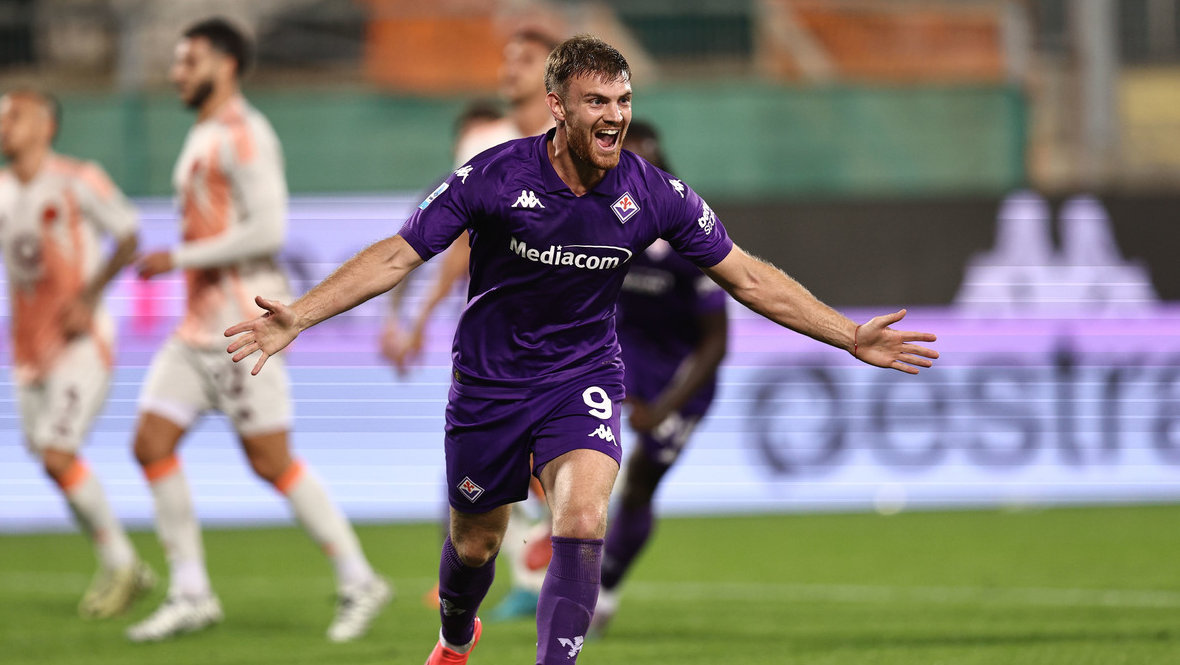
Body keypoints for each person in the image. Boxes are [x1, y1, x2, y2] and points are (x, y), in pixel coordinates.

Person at [225, 35, 938, 665]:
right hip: (491, 383)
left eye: (623, 100)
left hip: (583, 375)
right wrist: (300, 316)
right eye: (596, 100)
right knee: (475, 544)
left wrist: (849, 334)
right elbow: (395, 255)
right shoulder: (494, 177)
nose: (615, 115)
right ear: (557, 107)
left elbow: (747, 276)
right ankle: (456, 634)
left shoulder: (654, 193)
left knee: (583, 516)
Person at [126, 17, 389, 643]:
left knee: (271, 461)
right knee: (150, 443)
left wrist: (179, 256)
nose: (177, 73)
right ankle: (191, 592)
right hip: (196, 329)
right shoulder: (205, 132)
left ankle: (360, 580)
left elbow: (269, 230)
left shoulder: (245, 134)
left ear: (225, 64)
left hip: (243, 327)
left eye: (189, 61)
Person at [381, 28, 563, 622]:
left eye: (525, 60)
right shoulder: (486, 143)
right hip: (495, 333)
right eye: (507, 59)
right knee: (487, 462)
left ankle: (540, 568)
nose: (509, 69)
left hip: (569, 327)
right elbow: (454, 239)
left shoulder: (580, 142)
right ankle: (520, 572)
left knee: (551, 460)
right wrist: (417, 317)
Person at [0, 89, 151, 619]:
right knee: (50, 460)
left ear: (46, 126)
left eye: (14, 115)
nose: (3, 123)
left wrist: (88, 297)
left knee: (58, 454)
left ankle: (125, 566)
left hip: (80, 343)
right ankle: (120, 564)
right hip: (28, 350)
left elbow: (129, 234)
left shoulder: (77, 179)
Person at [589, 119, 729, 634]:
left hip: (682, 381)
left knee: (640, 485)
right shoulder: (601, 223)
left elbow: (716, 342)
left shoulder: (691, 233)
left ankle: (606, 586)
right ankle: (550, 542)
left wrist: (665, 406)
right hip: (620, 361)